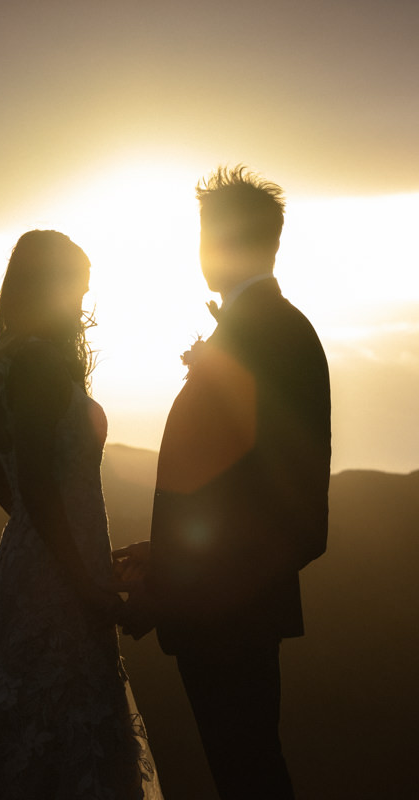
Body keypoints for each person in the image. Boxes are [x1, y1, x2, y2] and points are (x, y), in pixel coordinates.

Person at [0, 230, 162, 800]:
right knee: (69, 719)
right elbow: (40, 487)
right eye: (74, 292)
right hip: (57, 578)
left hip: (28, 563)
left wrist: (65, 544)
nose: (81, 309)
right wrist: (84, 578)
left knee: (30, 717)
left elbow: (7, 491)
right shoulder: (39, 365)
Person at [114, 167, 330, 800]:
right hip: (223, 610)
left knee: (250, 776)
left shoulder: (275, 337)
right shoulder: (257, 330)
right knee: (244, 773)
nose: (202, 250)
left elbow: (295, 517)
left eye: (209, 233)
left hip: (232, 617)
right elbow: (232, 486)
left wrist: (173, 589)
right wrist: (164, 555)